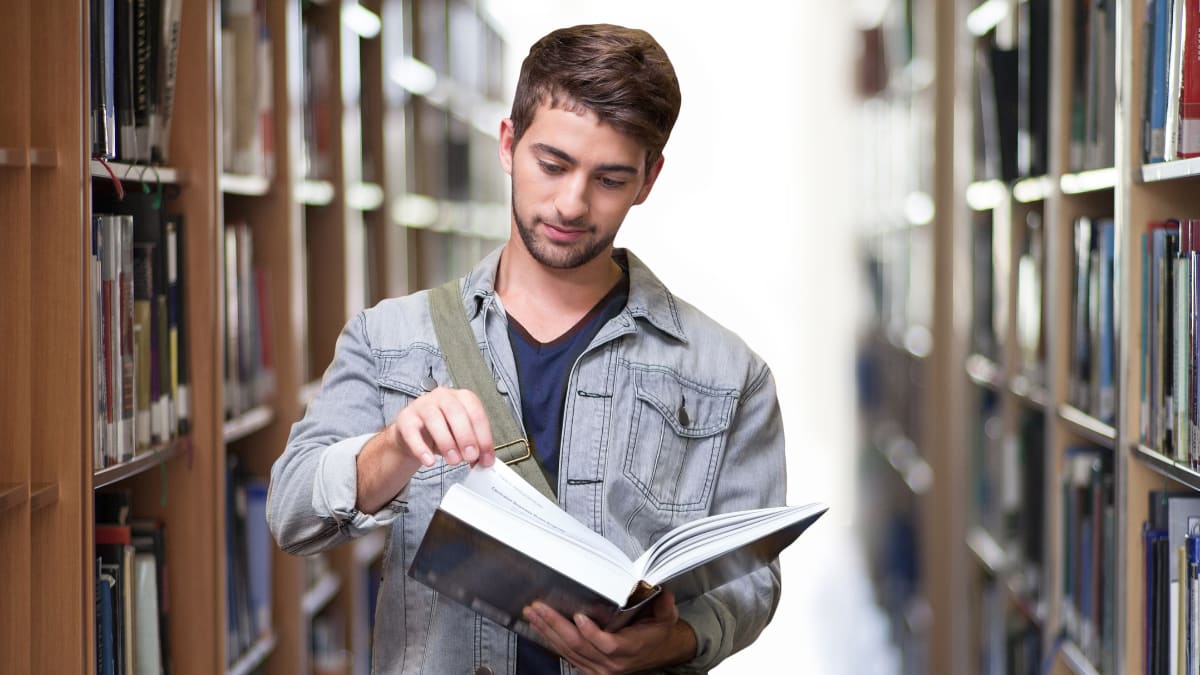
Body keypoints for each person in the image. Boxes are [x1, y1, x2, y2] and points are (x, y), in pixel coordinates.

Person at [268, 23, 787, 674]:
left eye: (610, 178)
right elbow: (290, 512)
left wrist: (675, 640)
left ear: (649, 179)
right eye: (554, 164)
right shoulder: (390, 338)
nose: (571, 203)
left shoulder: (730, 375)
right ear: (509, 144)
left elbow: (753, 582)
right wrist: (393, 447)